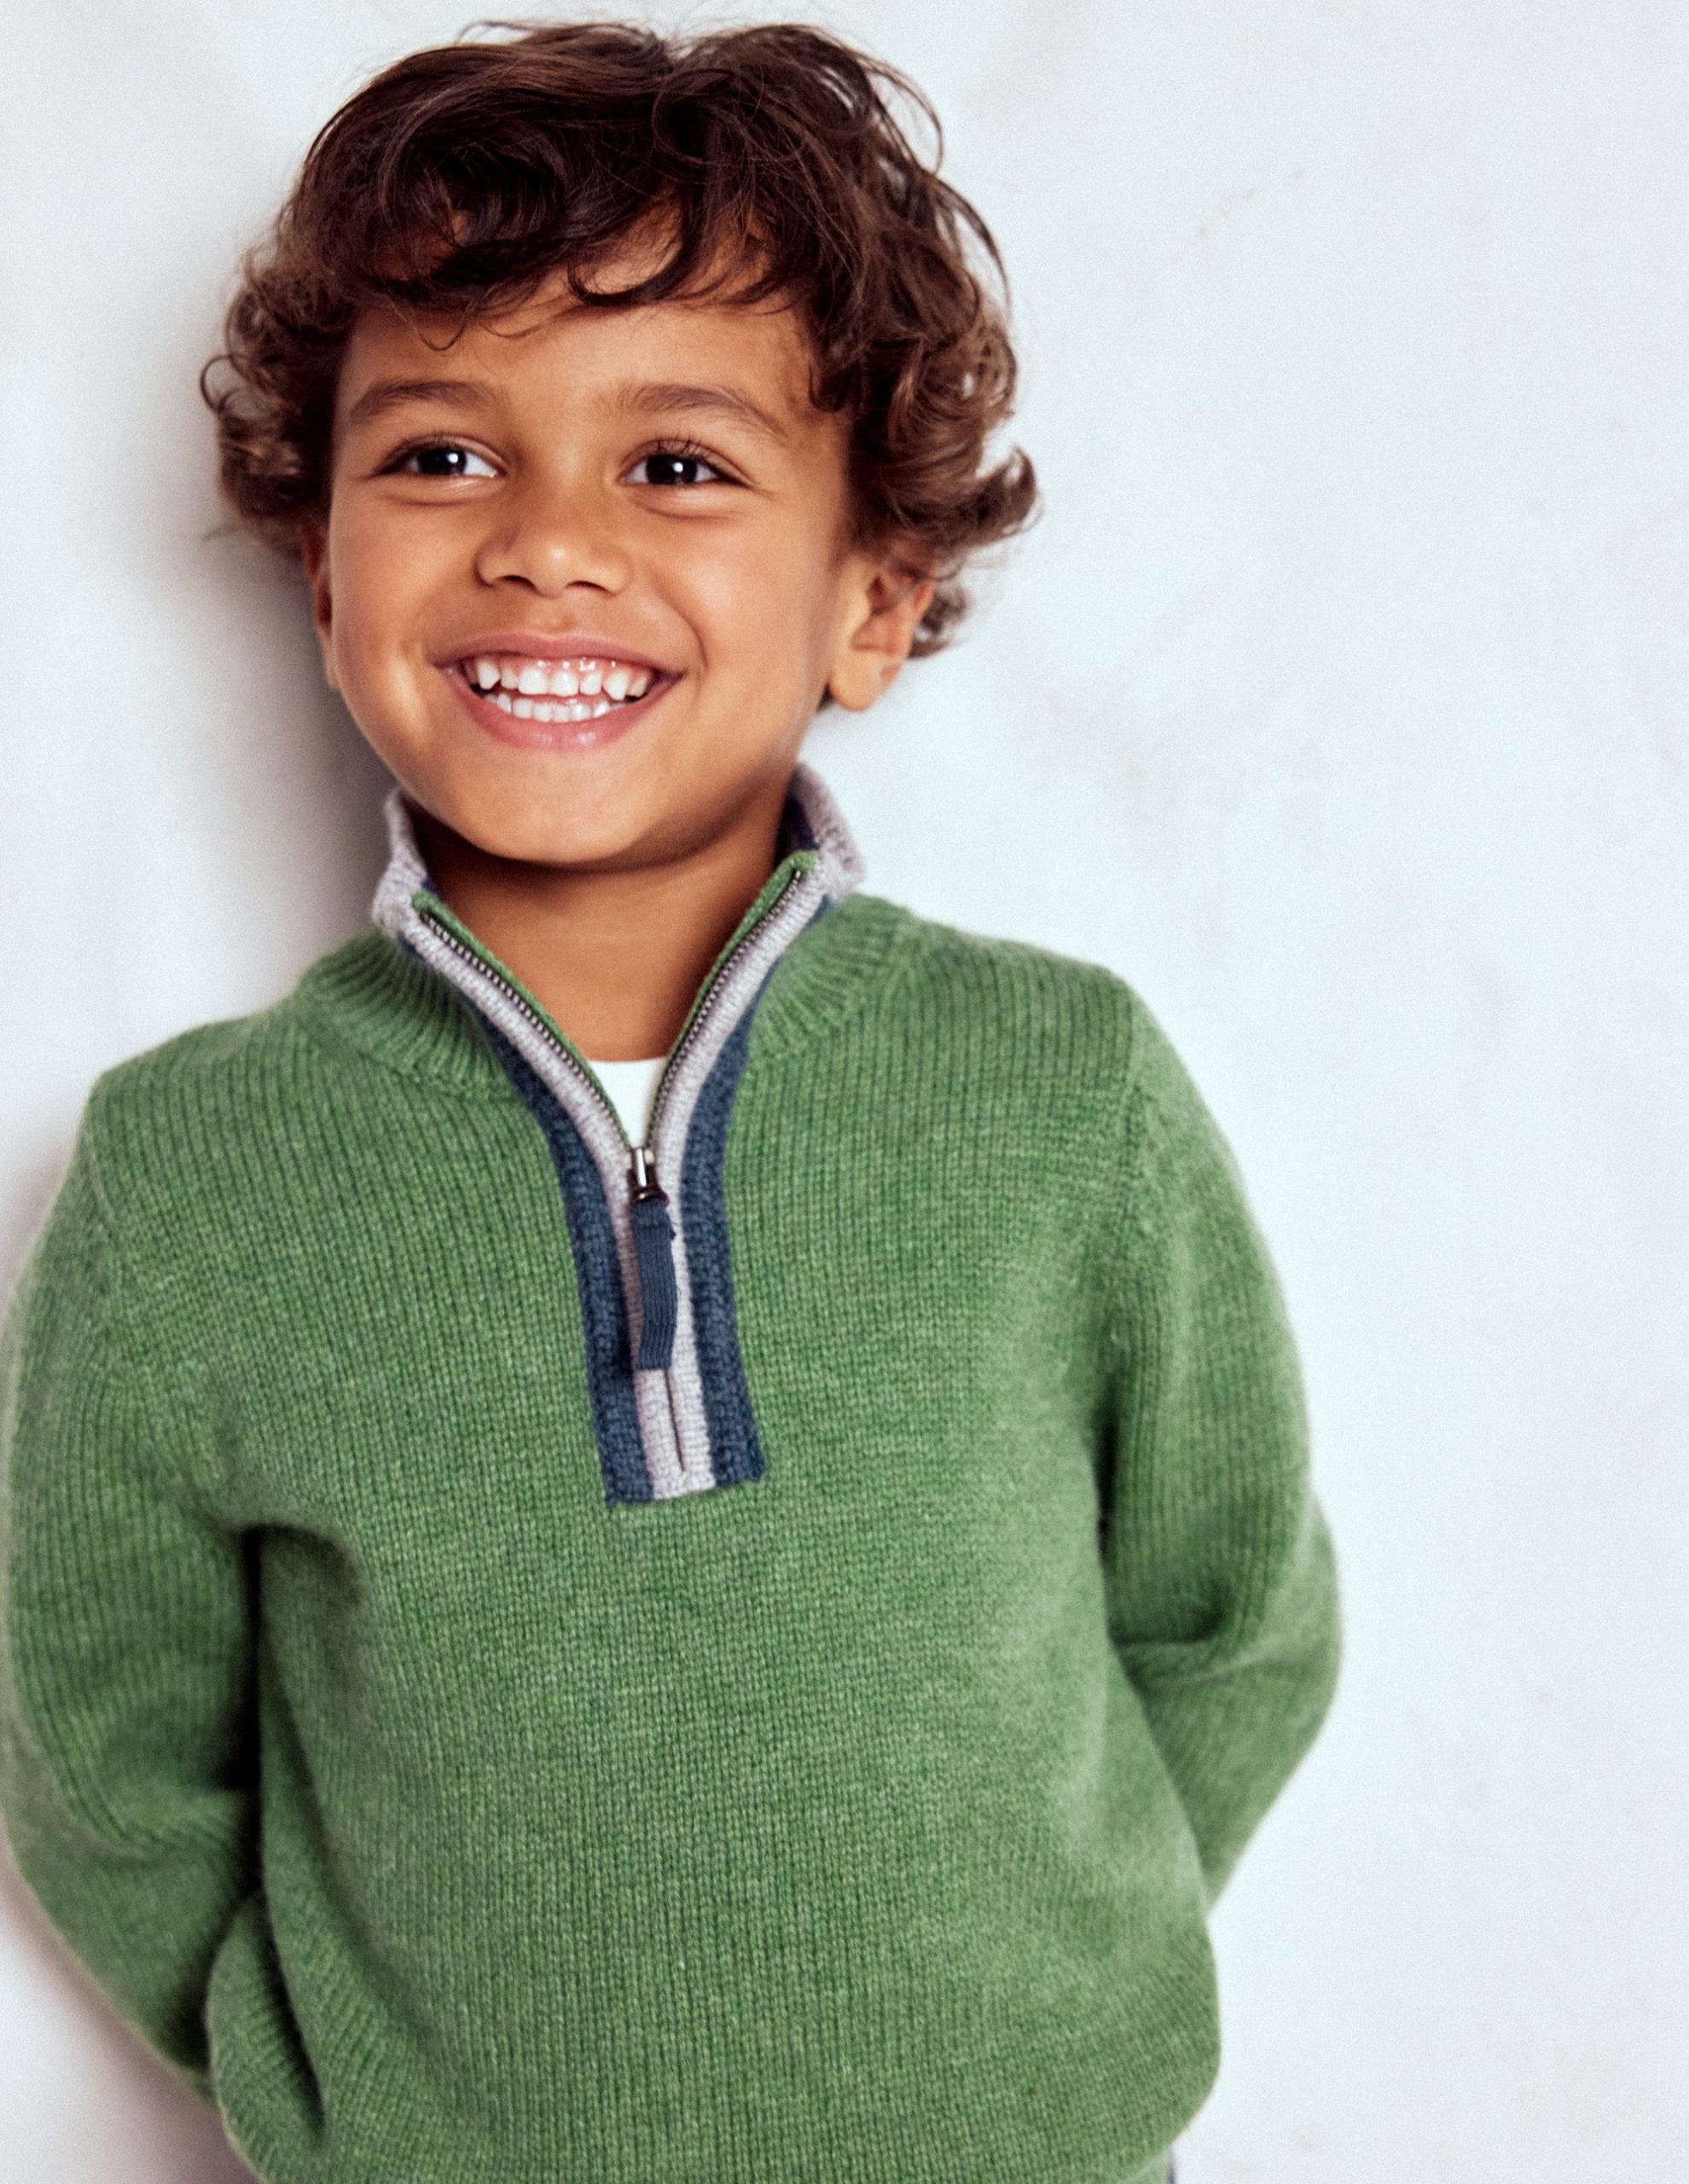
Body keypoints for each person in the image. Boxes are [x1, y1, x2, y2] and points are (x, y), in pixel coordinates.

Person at [0, 20, 1339, 2184]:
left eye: (680, 467)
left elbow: (1229, 1612)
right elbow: (103, 1751)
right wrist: (325, 2079)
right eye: (443, 454)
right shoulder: (196, 1175)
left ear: (874, 599)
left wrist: (1047, 2005)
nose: (547, 543)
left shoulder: (1056, 1086)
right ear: (324, 578)